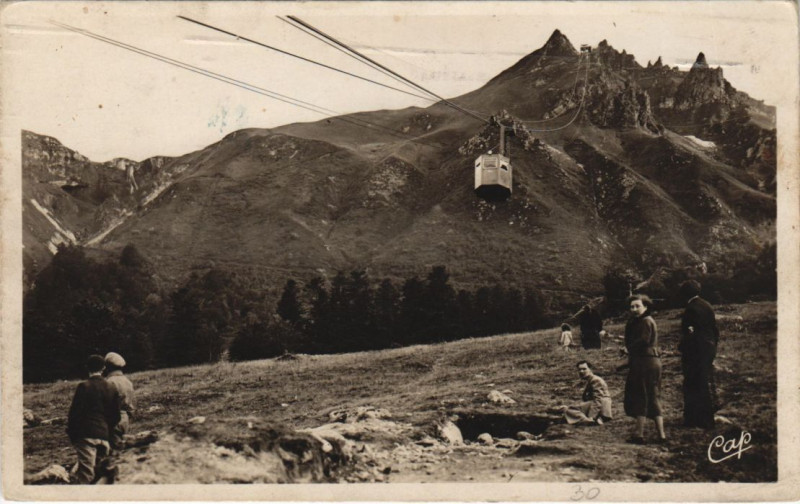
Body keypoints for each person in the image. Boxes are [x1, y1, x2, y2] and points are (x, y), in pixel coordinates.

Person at [67, 355, 121, 484]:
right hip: (103, 435)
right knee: (100, 472)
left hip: (85, 435)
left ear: (87, 368)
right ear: (103, 368)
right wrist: (106, 429)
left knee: (86, 474)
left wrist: (72, 434)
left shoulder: (83, 387)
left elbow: (74, 414)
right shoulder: (111, 386)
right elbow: (116, 415)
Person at [623, 294, 666, 444]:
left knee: (641, 395)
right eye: (632, 306)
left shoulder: (646, 321)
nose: (634, 309)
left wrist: (628, 350)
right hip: (651, 361)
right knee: (653, 396)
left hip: (645, 362)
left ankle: (638, 434)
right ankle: (661, 435)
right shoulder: (641, 321)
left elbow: (643, 341)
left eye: (637, 306)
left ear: (646, 307)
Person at [678, 280, 720, 429]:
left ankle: (697, 420)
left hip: (695, 351)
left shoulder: (691, 309)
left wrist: (683, 347)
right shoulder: (706, 305)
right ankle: (704, 419)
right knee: (702, 382)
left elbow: (690, 333)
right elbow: (714, 330)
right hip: (708, 348)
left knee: (693, 383)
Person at [563, 360, 613, 425]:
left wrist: (591, 417)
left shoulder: (595, 380)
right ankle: (596, 419)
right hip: (599, 406)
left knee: (569, 410)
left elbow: (598, 399)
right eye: (579, 369)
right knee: (571, 408)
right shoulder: (591, 380)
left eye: (584, 369)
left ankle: (588, 421)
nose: (581, 371)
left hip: (602, 407)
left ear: (590, 369)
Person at [104, 352, 135, 448]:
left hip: (113, 420)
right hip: (125, 419)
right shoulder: (127, 382)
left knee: (114, 450)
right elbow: (132, 405)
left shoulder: (108, 382)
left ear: (108, 367)